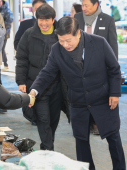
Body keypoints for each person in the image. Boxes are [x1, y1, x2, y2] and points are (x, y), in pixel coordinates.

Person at [29, 16, 126, 170]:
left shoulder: (99, 43)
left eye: (68, 40)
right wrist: (34, 90)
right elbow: (47, 73)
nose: (65, 44)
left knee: (113, 137)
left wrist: (115, 93)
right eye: (61, 40)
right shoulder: (57, 49)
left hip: (103, 99)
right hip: (78, 101)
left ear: (78, 33)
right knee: (81, 141)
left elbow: (114, 69)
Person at [16, 4, 70, 151]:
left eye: (47, 19)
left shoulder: (60, 35)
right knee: (43, 119)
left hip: (57, 85)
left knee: (53, 119)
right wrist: (21, 80)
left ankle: (47, 146)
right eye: (41, 19)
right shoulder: (29, 34)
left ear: (53, 20)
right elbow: (21, 58)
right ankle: (48, 149)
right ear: (36, 19)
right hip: (36, 85)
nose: (44, 23)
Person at [74, 0, 118, 135]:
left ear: (96, 5)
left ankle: (97, 122)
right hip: (80, 64)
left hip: (100, 65)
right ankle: (86, 122)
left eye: (87, 5)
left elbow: (112, 45)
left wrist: (113, 65)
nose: (84, 8)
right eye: (82, 5)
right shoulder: (77, 18)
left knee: (99, 95)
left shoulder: (108, 20)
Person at [0, 0, 13, 71]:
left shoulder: (6, 10)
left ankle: (5, 64)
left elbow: (10, 20)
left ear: (2, 1)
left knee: (1, 49)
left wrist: (1, 26)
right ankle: (3, 64)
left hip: (4, 33)